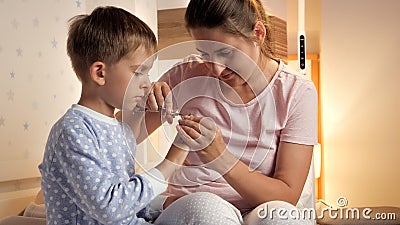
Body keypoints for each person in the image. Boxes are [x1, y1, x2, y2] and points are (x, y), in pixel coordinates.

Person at [141, 0, 318, 224]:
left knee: (281, 217)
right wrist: (141, 100)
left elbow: (287, 196)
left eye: (226, 52)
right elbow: (117, 136)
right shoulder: (186, 75)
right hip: (194, 205)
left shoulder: (296, 91)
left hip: (257, 210)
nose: (216, 69)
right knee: (208, 211)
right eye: (205, 53)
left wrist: (220, 158)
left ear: (258, 34)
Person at [38, 6, 188, 225]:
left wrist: (161, 205)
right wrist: (172, 162)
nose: (147, 83)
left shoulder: (118, 129)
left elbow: (125, 198)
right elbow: (110, 207)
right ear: (100, 73)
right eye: (138, 72)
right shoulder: (73, 131)